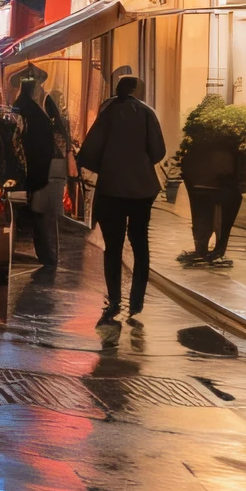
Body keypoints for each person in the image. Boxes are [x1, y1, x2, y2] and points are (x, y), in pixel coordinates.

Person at [76, 73, 170, 322]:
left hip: (111, 190)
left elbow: (88, 151)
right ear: (137, 90)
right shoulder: (147, 113)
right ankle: (137, 300)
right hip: (142, 191)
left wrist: (107, 166)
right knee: (140, 242)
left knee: (113, 247)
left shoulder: (108, 113)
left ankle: (115, 298)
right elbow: (158, 150)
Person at [176, 95, 246, 268]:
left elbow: (186, 158)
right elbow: (240, 158)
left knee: (200, 218)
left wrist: (189, 179)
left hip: (199, 184)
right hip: (224, 185)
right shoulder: (231, 132)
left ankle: (201, 250)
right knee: (224, 222)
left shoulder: (196, 132)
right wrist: (240, 184)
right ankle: (219, 252)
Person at [11, 68, 67, 272]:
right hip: (43, 169)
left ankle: (48, 256)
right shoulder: (33, 107)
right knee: (46, 216)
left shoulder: (27, 106)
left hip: (41, 169)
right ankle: (49, 257)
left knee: (43, 216)